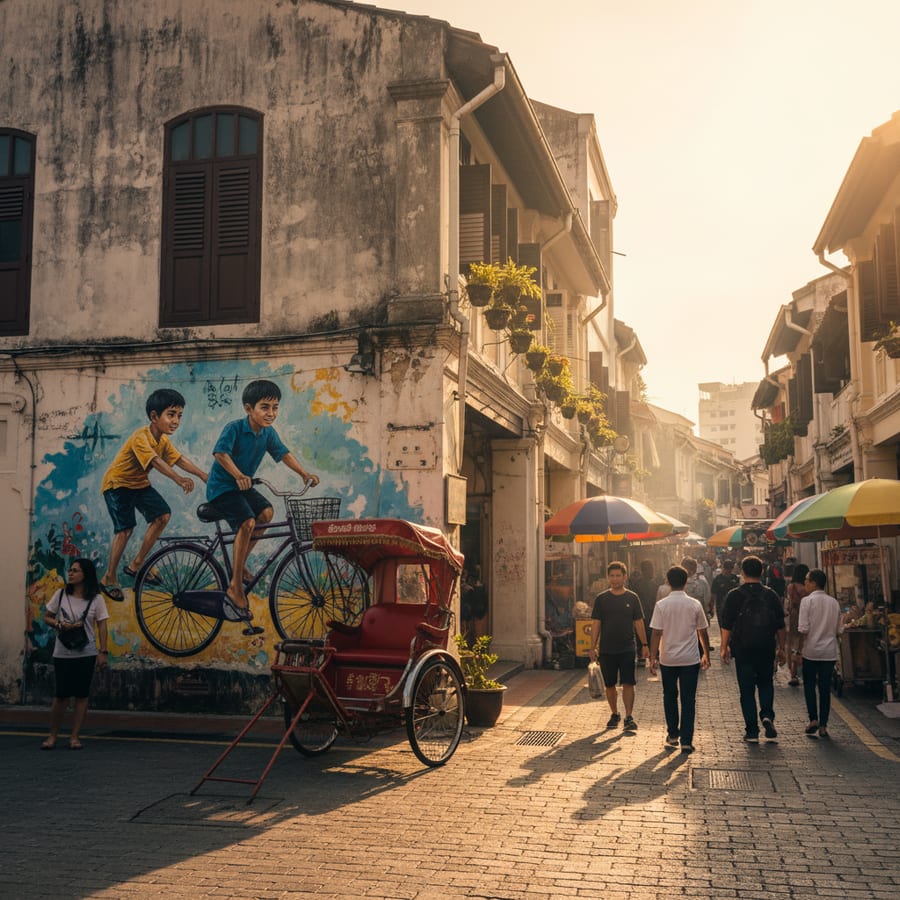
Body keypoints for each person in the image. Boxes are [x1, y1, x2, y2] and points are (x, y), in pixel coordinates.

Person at [205, 379, 319, 620]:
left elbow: (283, 453)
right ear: (249, 409)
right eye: (264, 407)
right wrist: (238, 475)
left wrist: (304, 474)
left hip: (243, 486)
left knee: (266, 514)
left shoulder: (267, 433)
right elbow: (220, 453)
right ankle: (235, 586)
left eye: (275, 407)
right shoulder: (234, 428)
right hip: (222, 488)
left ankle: (240, 560)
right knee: (247, 522)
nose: (271, 413)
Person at [99, 388, 208, 601]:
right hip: (117, 484)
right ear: (154, 416)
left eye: (179, 415)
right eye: (171, 414)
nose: (176, 420)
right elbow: (156, 462)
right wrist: (179, 479)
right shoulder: (141, 437)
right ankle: (109, 578)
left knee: (162, 516)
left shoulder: (163, 440)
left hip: (138, 484)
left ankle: (137, 564)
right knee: (125, 530)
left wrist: (203, 474)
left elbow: (178, 459)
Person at [41, 558, 110, 750]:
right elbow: (47, 616)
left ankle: (74, 736)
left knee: (81, 695)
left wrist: (103, 652)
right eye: (70, 570)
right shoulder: (61, 594)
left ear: (85, 574)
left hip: (86, 652)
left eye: (75, 570)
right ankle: (52, 735)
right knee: (60, 695)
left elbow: (102, 625)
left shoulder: (96, 599)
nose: (70, 573)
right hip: (62, 652)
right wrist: (59, 624)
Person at [719, 555, 787, 743]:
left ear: (742, 572)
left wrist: (724, 647)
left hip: (743, 648)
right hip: (766, 647)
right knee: (766, 683)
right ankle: (766, 715)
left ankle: (751, 731)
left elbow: (726, 624)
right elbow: (781, 625)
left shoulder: (734, 595)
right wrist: (782, 648)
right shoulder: (770, 594)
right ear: (762, 571)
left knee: (746, 690)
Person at [648, 565, 711, 754]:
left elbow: (656, 633)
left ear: (667, 582)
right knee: (688, 699)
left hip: (668, 659)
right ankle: (686, 740)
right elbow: (702, 631)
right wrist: (706, 653)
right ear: (686, 581)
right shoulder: (694, 604)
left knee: (669, 696)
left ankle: (673, 734)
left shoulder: (662, 605)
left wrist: (652, 657)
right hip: (690, 659)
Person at [589, 561, 650, 731]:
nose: (615, 579)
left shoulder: (632, 597)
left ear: (625, 577)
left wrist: (645, 644)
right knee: (609, 685)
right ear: (608, 577)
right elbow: (596, 624)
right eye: (612, 576)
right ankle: (615, 713)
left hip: (627, 648)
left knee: (628, 683)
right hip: (607, 649)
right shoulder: (601, 599)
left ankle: (629, 717)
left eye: (618, 576)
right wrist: (592, 647)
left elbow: (638, 622)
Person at [798, 569, 842, 739]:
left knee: (809, 685)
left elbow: (803, 629)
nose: (805, 583)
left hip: (811, 651)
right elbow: (839, 630)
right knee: (825, 688)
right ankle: (823, 726)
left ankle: (813, 719)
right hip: (829, 652)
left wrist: (797, 650)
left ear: (814, 583)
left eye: (807, 580)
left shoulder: (807, 602)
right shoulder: (834, 603)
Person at [629, 559, 660, 666]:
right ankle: (654, 655)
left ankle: (641, 655)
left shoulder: (636, 584)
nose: (652, 572)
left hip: (640, 613)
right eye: (651, 569)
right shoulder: (655, 585)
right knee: (652, 633)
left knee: (640, 633)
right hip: (651, 612)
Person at [785, 563, 810, 686]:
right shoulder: (805, 589)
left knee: (794, 643)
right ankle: (805, 671)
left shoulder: (791, 586)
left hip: (794, 615)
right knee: (804, 641)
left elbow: (790, 602)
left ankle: (793, 674)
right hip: (804, 614)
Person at [710, 558, 740, 623]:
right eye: (727, 568)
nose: (729, 570)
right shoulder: (718, 579)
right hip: (721, 606)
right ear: (723, 568)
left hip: (733, 606)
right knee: (722, 624)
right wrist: (711, 607)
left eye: (730, 568)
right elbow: (713, 594)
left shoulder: (735, 578)